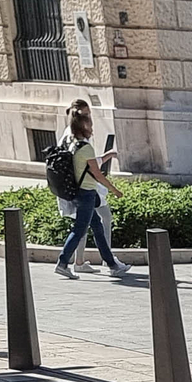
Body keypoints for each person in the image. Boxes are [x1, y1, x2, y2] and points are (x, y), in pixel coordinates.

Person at [54, 100, 129, 281]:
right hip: (86, 193)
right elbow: (97, 174)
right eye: (89, 122)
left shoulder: (72, 144)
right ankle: (63, 263)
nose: (92, 126)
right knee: (79, 229)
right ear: (84, 126)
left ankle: (112, 264)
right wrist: (115, 190)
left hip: (80, 192)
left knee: (97, 226)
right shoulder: (85, 148)